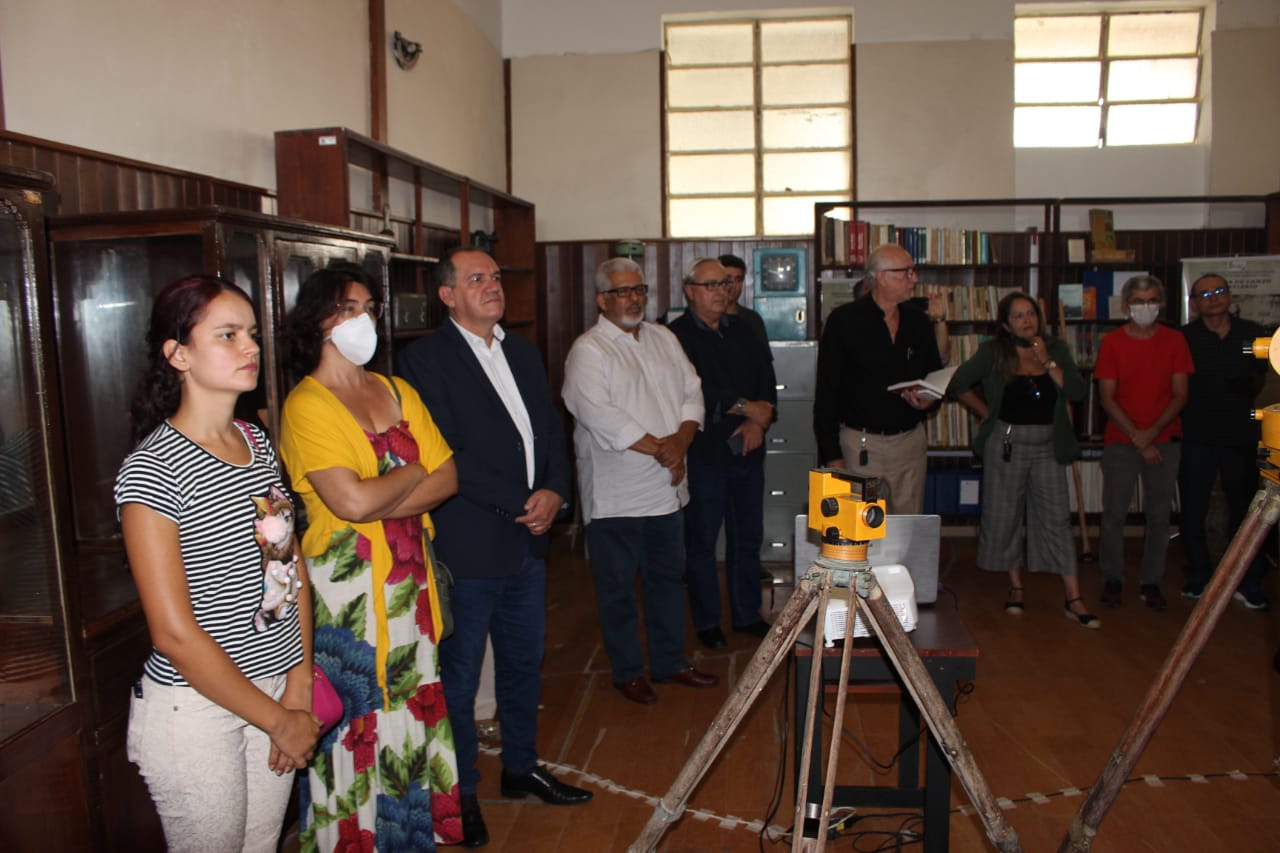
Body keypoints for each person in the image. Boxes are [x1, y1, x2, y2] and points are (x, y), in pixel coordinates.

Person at [115, 276, 319, 853]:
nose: (250, 347)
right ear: (178, 354)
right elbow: (174, 634)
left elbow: (288, 570)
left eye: (251, 333)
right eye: (227, 335)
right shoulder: (153, 469)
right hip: (198, 709)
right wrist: (278, 720)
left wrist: (298, 684)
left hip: (275, 687)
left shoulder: (256, 442)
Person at [398, 247, 591, 848]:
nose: (492, 286)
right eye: (476, 278)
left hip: (529, 540)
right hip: (471, 541)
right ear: (447, 295)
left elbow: (550, 429)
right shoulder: (424, 359)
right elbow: (445, 451)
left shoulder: (522, 350)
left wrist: (556, 491)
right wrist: (523, 502)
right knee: (459, 678)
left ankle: (521, 767)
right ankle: (462, 793)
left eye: (496, 277)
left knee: (523, 663)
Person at [278, 265, 462, 851]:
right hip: (347, 595)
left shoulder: (397, 390)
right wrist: (411, 471)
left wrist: (384, 491)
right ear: (317, 320)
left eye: (369, 308)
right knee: (356, 718)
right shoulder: (307, 405)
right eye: (347, 308)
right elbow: (350, 502)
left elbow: (449, 479)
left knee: (410, 709)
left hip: (411, 586)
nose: (364, 319)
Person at [562, 257, 719, 704]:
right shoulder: (589, 350)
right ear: (601, 299)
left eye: (639, 290)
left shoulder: (663, 337)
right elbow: (600, 415)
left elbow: (692, 391)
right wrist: (664, 450)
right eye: (622, 292)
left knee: (668, 580)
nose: (633, 299)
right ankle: (627, 671)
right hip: (617, 495)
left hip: (667, 488)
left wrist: (682, 441)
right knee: (618, 591)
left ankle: (670, 661)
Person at [947, 292, 1097, 627]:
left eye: (1031, 313)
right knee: (1007, 515)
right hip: (1007, 443)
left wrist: (1047, 361)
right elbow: (958, 383)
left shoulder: (1055, 348)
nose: (1027, 320)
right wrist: (987, 413)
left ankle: (1074, 597)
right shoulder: (993, 352)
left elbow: (1077, 391)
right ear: (1005, 324)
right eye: (1018, 316)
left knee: (1057, 518)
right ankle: (1016, 587)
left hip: (1048, 444)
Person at [669, 257, 777, 650]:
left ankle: (747, 613)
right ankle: (707, 621)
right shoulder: (675, 337)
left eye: (725, 284)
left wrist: (757, 423)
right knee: (701, 542)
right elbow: (694, 390)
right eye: (711, 285)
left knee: (747, 538)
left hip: (748, 450)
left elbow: (767, 381)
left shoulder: (744, 330)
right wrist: (745, 407)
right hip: (704, 455)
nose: (721, 292)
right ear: (690, 291)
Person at [814, 243, 948, 514]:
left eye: (913, 271)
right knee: (859, 529)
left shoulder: (918, 321)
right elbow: (826, 391)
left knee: (907, 532)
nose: (914, 279)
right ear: (881, 276)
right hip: (859, 445)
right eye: (906, 272)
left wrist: (929, 401)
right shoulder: (844, 321)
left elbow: (934, 374)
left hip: (909, 445)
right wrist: (832, 456)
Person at [1095, 274, 1194, 611]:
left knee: (1159, 517)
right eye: (1138, 301)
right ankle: (1112, 579)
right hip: (1121, 441)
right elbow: (1107, 398)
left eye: (1151, 300)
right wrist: (1139, 437)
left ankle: (1152, 581)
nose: (1145, 307)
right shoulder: (1112, 343)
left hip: (1164, 441)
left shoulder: (1175, 341)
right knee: (1113, 515)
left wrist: (1151, 434)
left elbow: (1180, 395)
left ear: (1161, 304)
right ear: (1126, 306)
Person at [1179, 273, 1270, 609]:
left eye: (1219, 291)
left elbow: (1258, 380)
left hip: (1240, 435)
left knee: (1246, 510)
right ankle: (1199, 575)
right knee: (1194, 509)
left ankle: (1248, 580)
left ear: (1229, 296)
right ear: (1194, 303)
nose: (1214, 298)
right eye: (1205, 294)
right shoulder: (1185, 337)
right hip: (1197, 435)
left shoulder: (1252, 332)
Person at [718, 253, 770, 346]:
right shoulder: (708, 318)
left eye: (738, 280)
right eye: (727, 279)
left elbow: (762, 354)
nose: (733, 285)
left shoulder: (752, 319)